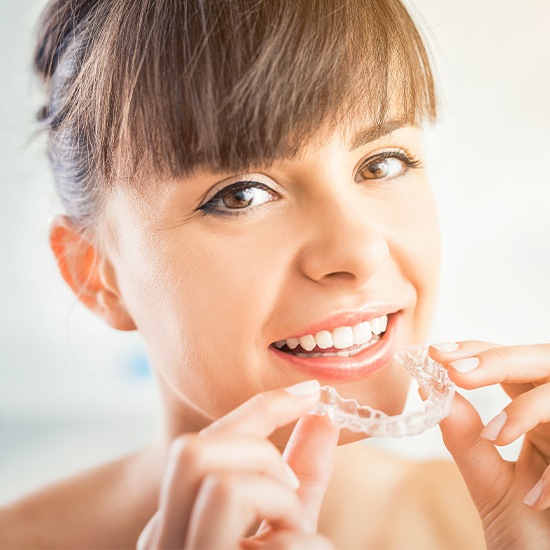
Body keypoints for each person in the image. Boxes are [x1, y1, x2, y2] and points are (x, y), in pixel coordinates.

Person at [1, 0, 549, 548]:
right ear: (96, 275)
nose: (359, 251)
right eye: (241, 195)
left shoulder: (519, 522)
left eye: (381, 164)